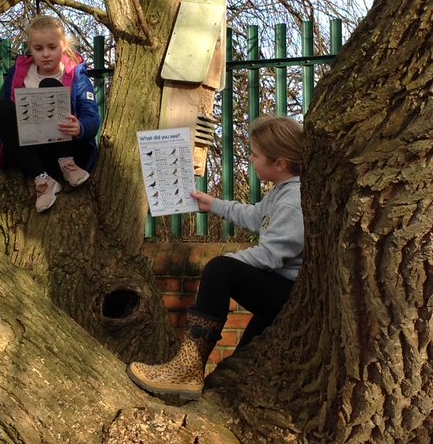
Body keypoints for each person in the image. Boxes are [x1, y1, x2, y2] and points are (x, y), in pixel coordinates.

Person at [127, 114, 304, 401]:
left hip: (287, 293)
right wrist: (213, 205)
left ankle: (188, 367)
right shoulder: (283, 192)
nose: (250, 159)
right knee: (244, 360)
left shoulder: (293, 201)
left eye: (256, 155)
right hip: (279, 290)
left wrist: (228, 265)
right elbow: (255, 216)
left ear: (280, 163)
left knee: (219, 270)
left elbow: (270, 256)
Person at [0, 15, 101, 212]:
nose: (46, 54)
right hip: (32, 153)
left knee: (50, 86)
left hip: (67, 149)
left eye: (52, 47)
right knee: (2, 107)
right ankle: (43, 181)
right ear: (30, 48)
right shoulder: (19, 73)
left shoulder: (76, 75)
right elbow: (8, 109)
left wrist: (80, 127)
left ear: (63, 45)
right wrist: (0, 137)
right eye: (38, 49)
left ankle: (67, 165)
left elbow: (92, 115)